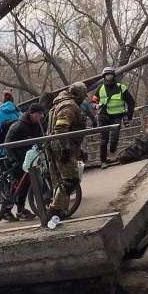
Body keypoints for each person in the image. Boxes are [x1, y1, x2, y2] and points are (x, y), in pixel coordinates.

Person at [45, 82, 89, 229]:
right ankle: (53, 211)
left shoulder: (59, 104)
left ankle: (58, 213)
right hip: (61, 147)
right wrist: (65, 149)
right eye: (83, 95)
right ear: (78, 93)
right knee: (71, 179)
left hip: (59, 146)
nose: (84, 99)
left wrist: (78, 150)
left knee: (60, 181)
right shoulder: (69, 105)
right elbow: (61, 127)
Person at [3, 102, 47, 221]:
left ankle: (20, 210)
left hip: (27, 159)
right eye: (39, 114)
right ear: (32, 114)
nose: (41, 117)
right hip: (15, 159)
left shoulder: (37, 125)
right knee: (19, 184)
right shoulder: (18, 126)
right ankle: (7, 210)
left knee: (25, 183)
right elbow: (8, 143)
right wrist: (13, 160)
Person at [96, 66, 136, 168]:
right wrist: (95, 106)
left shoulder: (121, 87)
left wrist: (129, 115)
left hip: (117, 116)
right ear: (104, 76)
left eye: (111, 74)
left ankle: (112, 152)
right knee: (104, 139)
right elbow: (93, 101)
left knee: (115, 136)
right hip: (104, 115)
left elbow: (131, 101)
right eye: (107, 74)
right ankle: (103, 161)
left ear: (114, 75)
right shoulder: (100, 88)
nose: (109, 76)